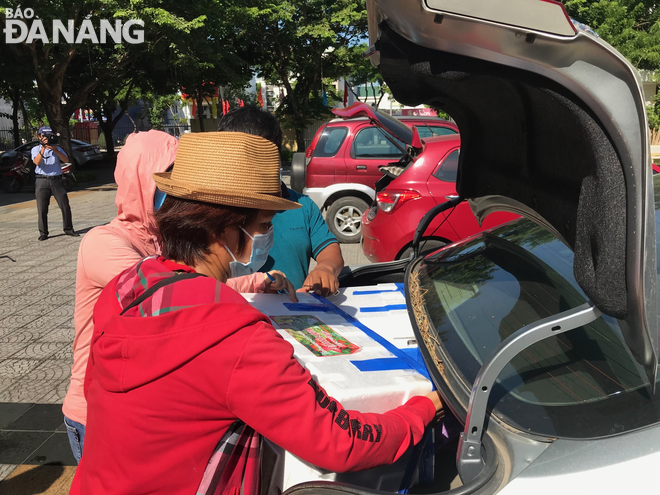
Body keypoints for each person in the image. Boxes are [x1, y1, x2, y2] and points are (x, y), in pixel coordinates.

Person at [69, 132, 442, 494]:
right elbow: (338, 441)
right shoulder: (234, 334)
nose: (270, 237)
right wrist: (423, 409)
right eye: (264, 225)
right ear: (223, 230)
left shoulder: (126, 288)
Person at [62, 130, 293, 464]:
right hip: (95, 411)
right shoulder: (104, 243)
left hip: (141, 402)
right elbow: (175, 295)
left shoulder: (163, 243)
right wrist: (255, 280)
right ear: (139, 183)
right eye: (166, 185)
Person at [218, 107, 344, 296]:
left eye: (263, 155)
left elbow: (329, 249)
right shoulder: (213, 209)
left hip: (293, 315)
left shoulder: (302, 205)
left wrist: (325, 269)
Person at [31, 126, 78, 240]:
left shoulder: (57, 148)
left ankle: (68, 229)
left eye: (49, 136)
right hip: (42, 180)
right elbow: (36, 162)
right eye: (44, 136)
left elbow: (66, 160)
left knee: (65, 205)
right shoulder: (35, 149)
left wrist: (55, 149)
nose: (47, 138)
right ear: (40, 137)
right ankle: (43, 232)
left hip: (56, 180)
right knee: (42, 208)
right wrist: (43, 148)